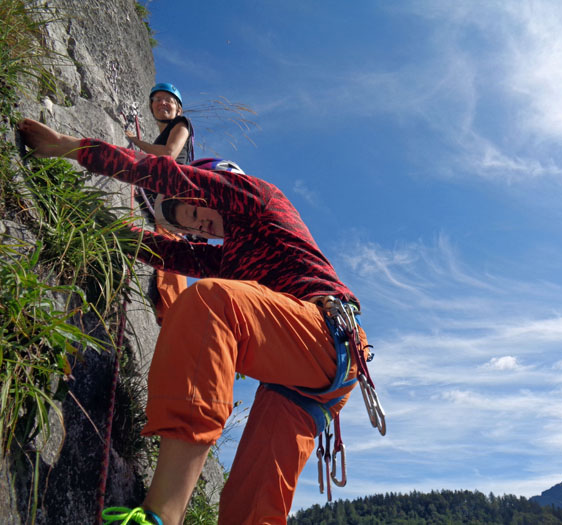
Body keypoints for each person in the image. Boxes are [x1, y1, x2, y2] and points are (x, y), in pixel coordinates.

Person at [18, 118, 372, 525]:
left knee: (207, 303)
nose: (196, 223)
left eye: (192, 208)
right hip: (316, 374)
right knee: (250, 507)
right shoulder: (227, 259)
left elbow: (162, 171)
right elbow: (163, 253)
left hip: (328, 331)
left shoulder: (258, 197)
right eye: (187, 223)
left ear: (210, 188)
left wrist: (71, 148)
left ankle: (161, 515)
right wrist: (97, 224)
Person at [126, 82, 194, 325]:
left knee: (171, 249)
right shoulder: (163, 132)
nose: (162, 103)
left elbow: (168, 154)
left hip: (172, 200)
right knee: (167, 249)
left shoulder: (182, 124)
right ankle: (169, 312)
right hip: (162, 199)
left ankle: (174, 315)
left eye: (169, 100)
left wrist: (135, 142)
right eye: (157, 100)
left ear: (178, 109)